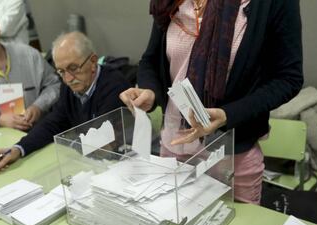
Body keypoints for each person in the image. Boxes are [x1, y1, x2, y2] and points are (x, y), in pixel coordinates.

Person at [119, 0, 303, 204]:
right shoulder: (172, 3)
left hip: (232, 155)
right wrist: (150, 91)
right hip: (174, 145)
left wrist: (228, 114)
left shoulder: (271, 4)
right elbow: (151, 60)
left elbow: (289, 79)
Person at [0, 31, 131, 173]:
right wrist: (18, 149)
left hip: (121, 165)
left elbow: (101, 142)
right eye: (61, 71)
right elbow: (53, 123)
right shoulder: (69, 87)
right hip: (88, 163)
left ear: (93, 61)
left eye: (73, 68)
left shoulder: (115, 86)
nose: (68, 79)